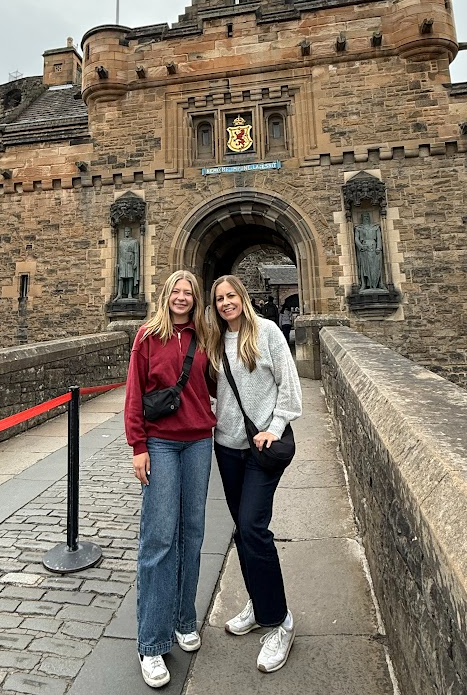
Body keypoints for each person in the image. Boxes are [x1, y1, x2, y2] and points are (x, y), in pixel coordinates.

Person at [124, 270, 216, 688]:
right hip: (160, 443)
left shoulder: (204, 336)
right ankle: (151, 642)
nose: (182, 297)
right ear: (166, 295)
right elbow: (134, 393)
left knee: (192, 533)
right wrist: (138, 445)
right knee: (159, 538)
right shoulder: (147, 336)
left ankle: (184, 619)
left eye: (188, 292)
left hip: (198, 441)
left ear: (195, 298)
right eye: (176, 291)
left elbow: (219, 382)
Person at [207, 275, 302, 674]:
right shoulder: (214, 340)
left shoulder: (266, 333)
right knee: (242, 531)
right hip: (227, 447)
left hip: (262, 449)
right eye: (219, 298)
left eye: (231, 295)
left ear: (242, 297)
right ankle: (260, 604)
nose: (226, 303)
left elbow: (289, 386)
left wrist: (275, 427)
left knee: (253, 527)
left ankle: (280, 621)